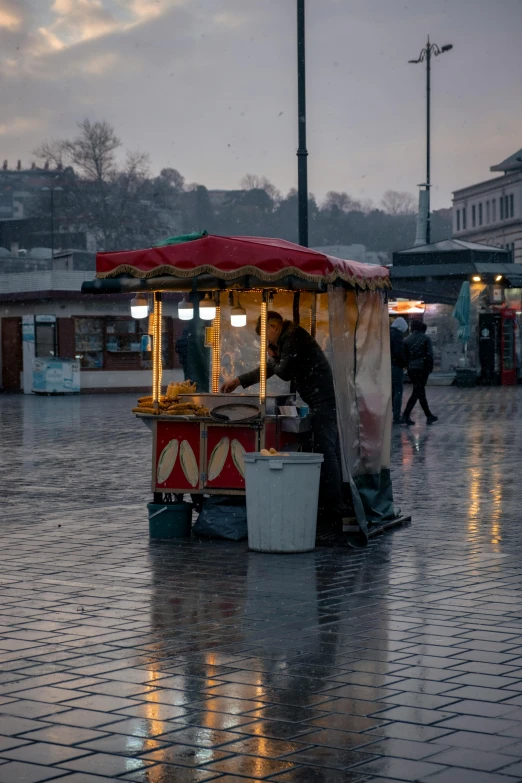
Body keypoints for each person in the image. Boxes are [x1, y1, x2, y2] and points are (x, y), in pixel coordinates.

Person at [220, 311, 350, 533]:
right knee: (327, 449)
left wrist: (273, 357)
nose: (268, 342)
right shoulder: (288, 338)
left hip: (323, 400)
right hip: (319, 399)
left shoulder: (292, 337)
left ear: (274, 326)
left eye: (267, 337)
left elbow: (284, 372)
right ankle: (331, 505)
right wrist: (240, 380)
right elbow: (271, 368)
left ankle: (334, 509)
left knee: (326, 451)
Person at [402, 320, 438, 425]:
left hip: (412, 369)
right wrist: (430, 367)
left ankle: (429, 416)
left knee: (419, 391)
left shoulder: (406, 340)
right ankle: (406, 415)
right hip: (422, 369)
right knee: (418, 392)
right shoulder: (426, 339)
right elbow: (430, 355)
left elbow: (405, 357)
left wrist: (408, 366)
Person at [390, 317, 408, 424]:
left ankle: (391, 413)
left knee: (392, 390)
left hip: (388, 366)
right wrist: (404, 363)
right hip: (396, 366)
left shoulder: (388, 334)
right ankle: (396, 415)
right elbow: (398, 353)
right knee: (398, 390)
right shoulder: (397, 336)